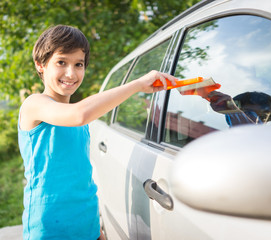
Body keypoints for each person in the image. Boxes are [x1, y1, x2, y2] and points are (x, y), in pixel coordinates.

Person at [18, 25, 177, 240]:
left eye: (79, 64)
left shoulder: (78, 116)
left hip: (87, 226)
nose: (71, 73)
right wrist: (138, 84)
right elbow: (79, 114)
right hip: (49, 230)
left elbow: (81, 178)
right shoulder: (35, 104)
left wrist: (96, 229)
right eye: (61, 62)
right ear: (41, 65)